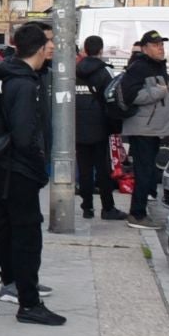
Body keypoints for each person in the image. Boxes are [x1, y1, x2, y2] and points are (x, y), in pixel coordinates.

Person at [0, 22, 65, 325]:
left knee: (4, 233)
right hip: (18, 172)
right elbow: (23, 135)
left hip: (3, 169)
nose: (53, 47)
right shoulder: (24, 84)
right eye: (50, 42)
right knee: (27, 236)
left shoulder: (11, 76)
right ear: (40, 47)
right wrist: (37, 168)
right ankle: (29, 304)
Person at [119, 30, 169, 226]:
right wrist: (157, 92)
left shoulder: (157, 66)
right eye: (155, 45)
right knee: (143, 171)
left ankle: (140, 211)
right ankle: (137, 214)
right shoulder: (139, 67)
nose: (160, 48)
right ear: (144, 48)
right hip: (142, 128)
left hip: (152, 128)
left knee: (147, 170)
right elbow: (130, 96)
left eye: (162, 44)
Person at [73, 35, 125, 221]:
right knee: (102, 170)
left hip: (78, 126)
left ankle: (87, 207)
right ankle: (107, 208)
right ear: (101, 50)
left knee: (84, 169)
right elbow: (111, 99)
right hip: (99, 126)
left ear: (85, 50)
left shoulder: (74, 71)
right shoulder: (104, 73)